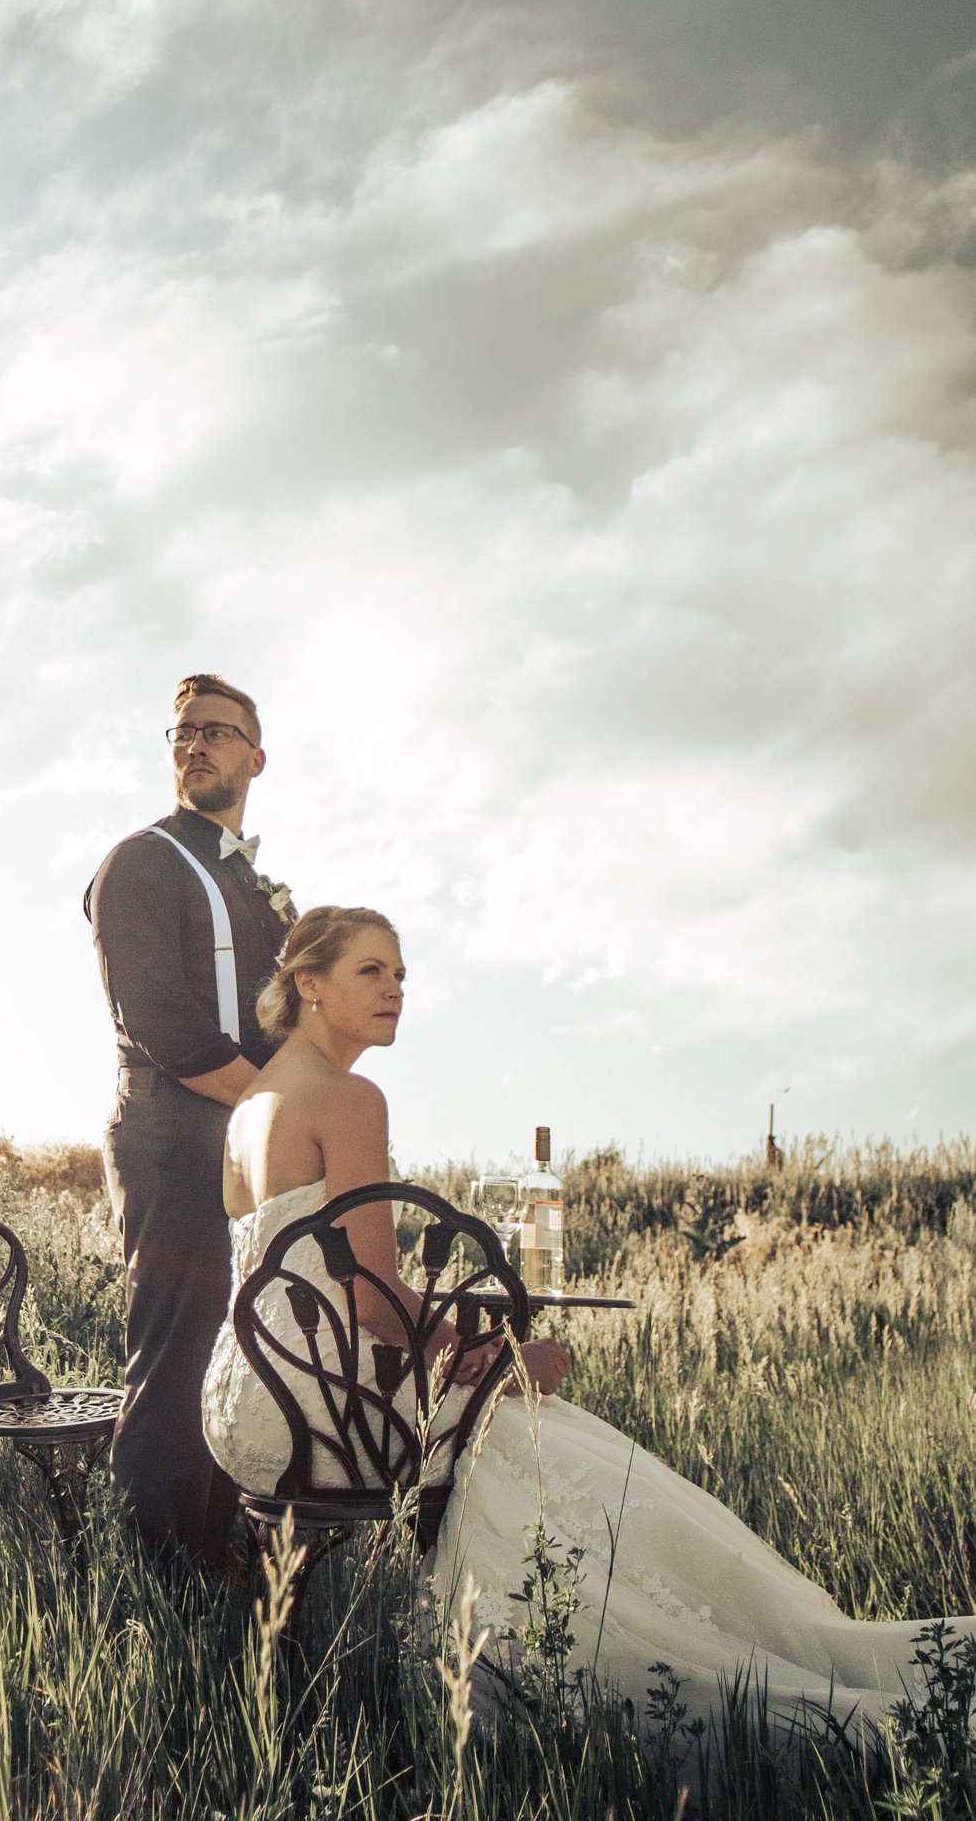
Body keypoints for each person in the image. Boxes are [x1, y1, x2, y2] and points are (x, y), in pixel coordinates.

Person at [204, 906, 976, 1742]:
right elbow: (369, 1298)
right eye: (370, 971)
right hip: (323, 1401)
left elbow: (295, 1287)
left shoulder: (252, 1100)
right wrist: (491, 1357)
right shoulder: (349, 1097)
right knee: (552, 1443)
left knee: (527, 1432)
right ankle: (613, 1685)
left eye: (400, 975)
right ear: (307, 983)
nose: (395, 989)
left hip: (249, 1394)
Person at [86, 675, 297, 1571]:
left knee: (242, 1340)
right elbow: (158, 1016)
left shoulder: (248, 880)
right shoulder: (141, 861)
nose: (195, 744)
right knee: (175, 1350)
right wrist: (276, 1110)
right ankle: (156, 1573)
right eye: (180, 733)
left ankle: (224, 1551)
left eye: (217, 731)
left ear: (256, 756)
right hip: (173, 1138)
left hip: (243, 1141)